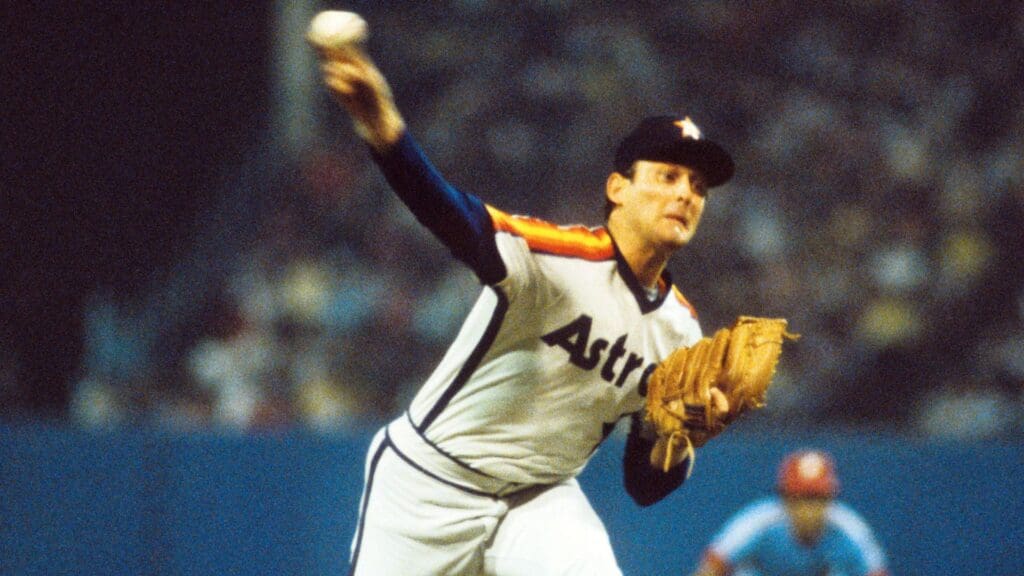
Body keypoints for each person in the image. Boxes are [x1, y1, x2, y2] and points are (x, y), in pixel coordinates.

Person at [314, 25, 736, 576]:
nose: (686, 193)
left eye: (698, 186)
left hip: (540, 499)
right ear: (618, 189)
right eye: (669, 176)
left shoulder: (680, 332)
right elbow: (448, 213)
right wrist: (382, 125)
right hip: (431, 481)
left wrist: (683, 435)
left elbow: (644, 484)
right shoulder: (559, 261)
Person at [690, 450, 890, 576]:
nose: (809, 510)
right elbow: (710, 568)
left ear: (830, 500)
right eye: (801, 499)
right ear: (784, 499)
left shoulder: (849, 528)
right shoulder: (759, 521)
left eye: (817, 499)